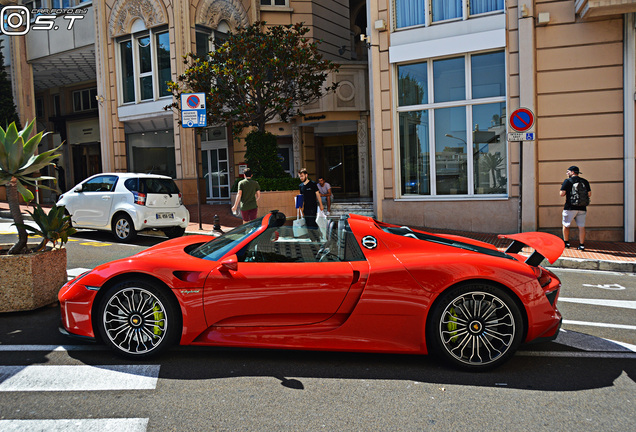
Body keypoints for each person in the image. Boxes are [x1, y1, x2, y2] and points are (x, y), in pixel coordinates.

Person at [560, 165, 591, 250]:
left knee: (566, 225)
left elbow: (562, 194)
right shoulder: (585, 181)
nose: (567, 173)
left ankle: (566, 243)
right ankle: (581, 245)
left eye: (568, 171)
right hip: (582, 207)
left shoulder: (567, 181)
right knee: (581, 227)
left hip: (570, 207)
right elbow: (589, 194)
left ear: (572, 172)